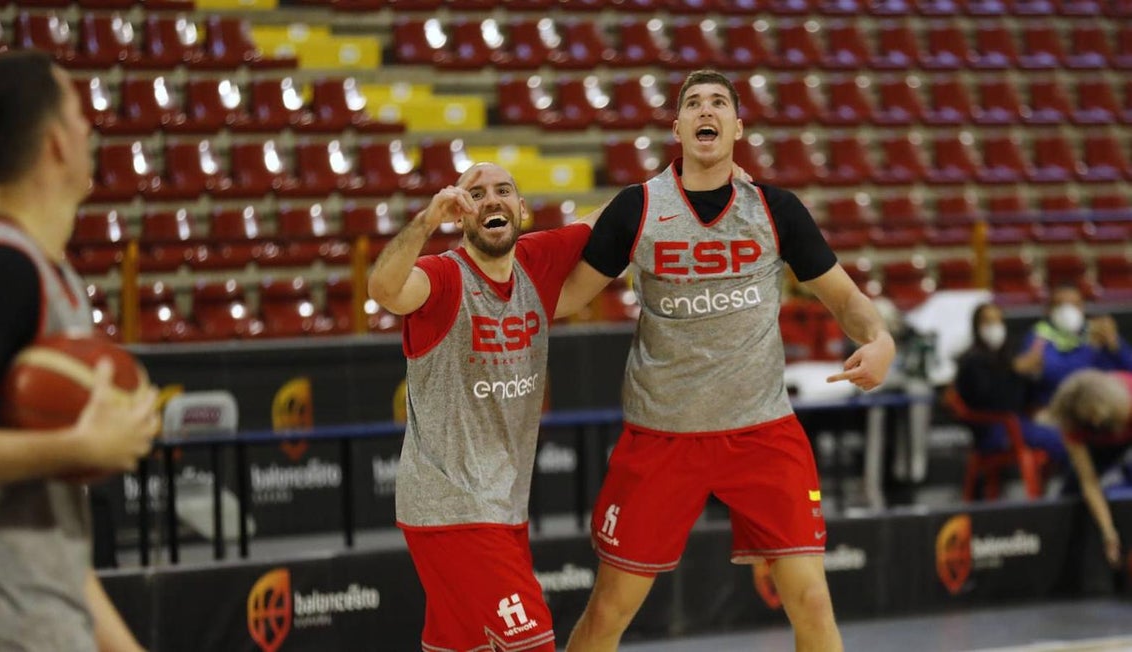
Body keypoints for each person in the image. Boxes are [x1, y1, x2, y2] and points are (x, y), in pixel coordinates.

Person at [555, 70, 896, 652]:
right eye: (692, 104)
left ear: (737, 127)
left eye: (717, 103)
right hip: (663, 436)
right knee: (608, 610)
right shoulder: (636, 207)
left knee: (813, 601)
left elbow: (843, 297)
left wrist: (879, 338)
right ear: (678, 126)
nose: (704, 111)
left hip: (762, 431)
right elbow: (563, 298)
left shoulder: (775, 209)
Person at [367, 162, 597, 651]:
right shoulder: (442, 277)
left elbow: (607, 220)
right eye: (477, 193)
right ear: (461, 214)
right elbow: (384, 289)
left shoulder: (535, 266)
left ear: (521, 210)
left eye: (503, 190)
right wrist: (427, 220)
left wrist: (680, 179)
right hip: (450, 503)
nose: (492, 199)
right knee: (531, 642)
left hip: (501, 506)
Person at [0, 50, 161, 651]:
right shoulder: (3, 269)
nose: (90, 128)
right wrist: (78, 445)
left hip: (48, 624)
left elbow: (56, 555)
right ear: (58, 142)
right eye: (80, 114)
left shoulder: (48, 272)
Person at [955, 302, 1067, 466]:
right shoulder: (971, 361)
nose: (994, 327)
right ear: (976, 327)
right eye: (988, 322)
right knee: (1064, 441)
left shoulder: (1007, 356)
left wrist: (1032, 373)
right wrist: (1013, 371)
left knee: (1068, 433)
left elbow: (1022, 396)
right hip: (993, 430)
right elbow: (988, 400)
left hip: (1018, 422)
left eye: (998, 321)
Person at [1047, 369, 1132, 568]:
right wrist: (1108, 533)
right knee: (1070, 492)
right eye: (1088, 421)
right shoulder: (1073, 421)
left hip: (1125, 437)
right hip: (1100, 449)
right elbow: (1089, 482)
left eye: (1096, 418)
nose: (1093, 422)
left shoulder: (1128, 398)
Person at [1017, 285, 1132, 409]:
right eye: (1060, 305)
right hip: (1055, 407)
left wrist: (1116, 346)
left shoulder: (1097, 330)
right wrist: (1089, 348)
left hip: (1100, 405)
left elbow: (1128, 367)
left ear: (1082, 308)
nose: (1068, 310)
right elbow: (1056, 376)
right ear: (1048, 310)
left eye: (1075, 304)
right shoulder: (1039, 334)